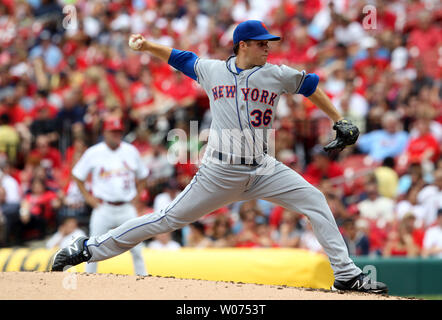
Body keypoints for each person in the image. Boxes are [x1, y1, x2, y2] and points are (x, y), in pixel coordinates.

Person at [51, 20, 387, 294]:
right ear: (243, 45)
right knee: (166, 219)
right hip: (220, 172)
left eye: (268, 43)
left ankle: (345, 274)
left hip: (262, 167)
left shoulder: (276, 74)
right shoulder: (213, 70)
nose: (268, 47)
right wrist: (147, 45)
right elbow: (181, 58)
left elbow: (311, 84)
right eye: (261, 43)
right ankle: (87, 248)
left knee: (314, 199)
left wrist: (338, 119)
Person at [68, 116, 148, 276]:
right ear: (105, 132)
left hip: (126, 207)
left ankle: (144, 280)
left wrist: (137, 197)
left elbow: (143, 175)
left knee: (137, 248)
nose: (116, 135)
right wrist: (88, 198)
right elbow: (77, 175)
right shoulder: (94, 152)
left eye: (119, 132)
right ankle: (89, 282)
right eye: (113, 132)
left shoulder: (130, 151)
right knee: (92, 248)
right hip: (103, 207)